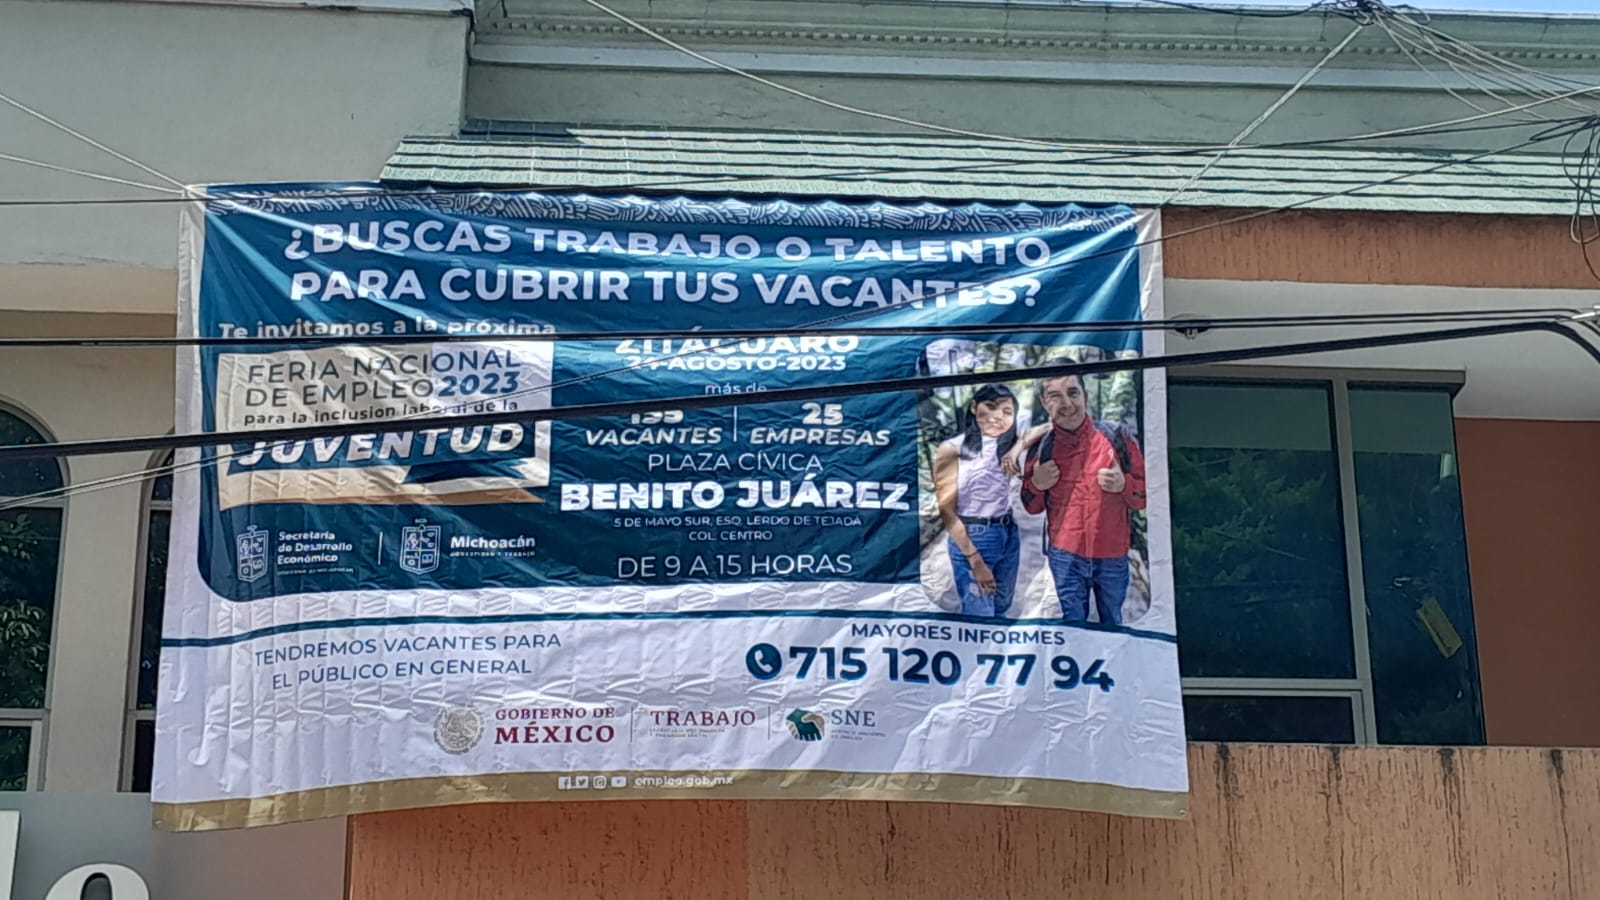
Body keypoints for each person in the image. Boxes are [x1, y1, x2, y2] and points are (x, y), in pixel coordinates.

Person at [1016, 374, 1146, 625]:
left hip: (1112, 554)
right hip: (1065, 556)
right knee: (1072, 627)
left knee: (1113, 625)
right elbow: (1030, 506)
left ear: (1085, 396)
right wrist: (1036, 484)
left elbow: (1146, 496)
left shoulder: (1117, 438)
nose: (1066, 403)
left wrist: (1124, 485)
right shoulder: (1042, 447)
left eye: (1073, 393)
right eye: (1055, 396)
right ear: (1044, 403)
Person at [933, 384, 1021, 617]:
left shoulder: (1009, 447)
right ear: (974, 407)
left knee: (1001, 609)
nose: (998, 416)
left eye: (1007, 412)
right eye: (990, 407)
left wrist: (1018, 448)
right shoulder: (953, 449)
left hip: (1008, 532)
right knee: (980, 613)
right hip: (974, 534)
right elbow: (946, 510)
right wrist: (974, 559)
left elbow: (1044, 429)